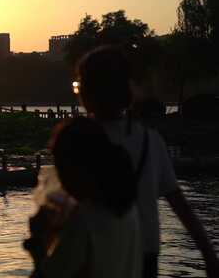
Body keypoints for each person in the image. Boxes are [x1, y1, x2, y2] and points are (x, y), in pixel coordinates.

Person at [76, 46, 219, 278]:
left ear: (86, 92)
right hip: (144, 254)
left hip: (96, 256)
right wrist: (208, 254)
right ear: (126, 90)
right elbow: (179, 203)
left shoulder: (77, 140)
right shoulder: (150, 140)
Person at [24, 117, 142, 278]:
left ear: (78, 167)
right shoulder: (128, 209)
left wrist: (38, 243)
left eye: (61, 166)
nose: (61, 179)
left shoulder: (85, 219)